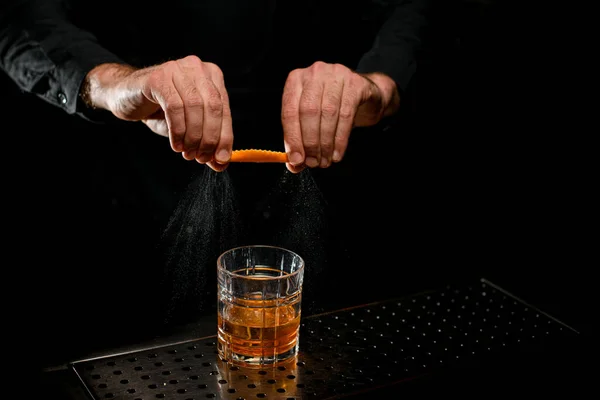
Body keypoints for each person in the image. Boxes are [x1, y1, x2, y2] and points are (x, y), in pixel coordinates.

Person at [0, 0, 431, 373]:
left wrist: (383, 82)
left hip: (343, 199)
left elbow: (417, 9)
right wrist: (110, 82)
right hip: (137, 207)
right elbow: (20, 18)